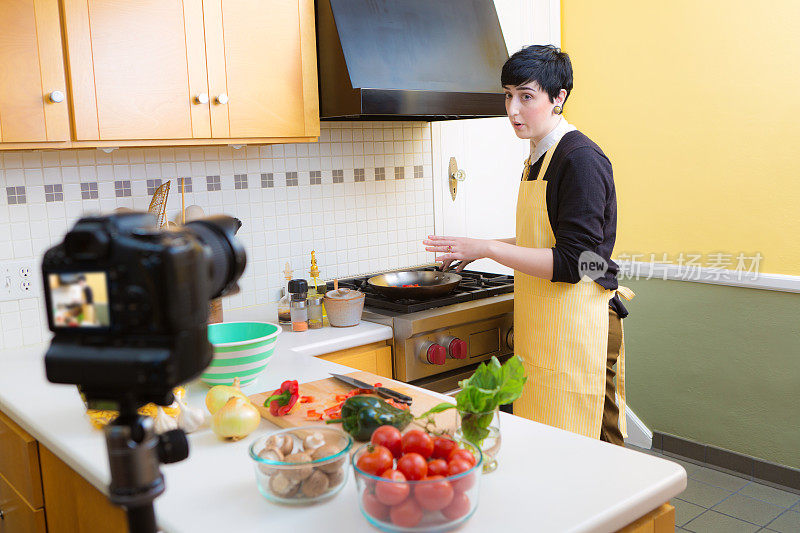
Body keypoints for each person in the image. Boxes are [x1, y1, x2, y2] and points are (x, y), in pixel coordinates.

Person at [423, 45, 634, 445]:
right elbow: (547, 239)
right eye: (508, 95)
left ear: (559, 98)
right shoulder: (539, 156)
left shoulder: (581, 160)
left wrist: (487, 247)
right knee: (551, 443)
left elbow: (578, 262)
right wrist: (473, 248)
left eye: (526, 96)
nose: (513, 110)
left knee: (596, 450)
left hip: (582, 325)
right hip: (548, 326)